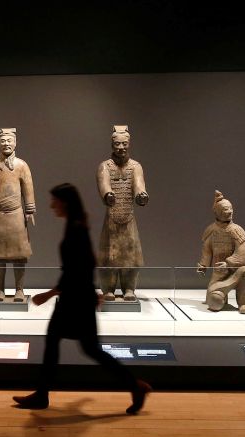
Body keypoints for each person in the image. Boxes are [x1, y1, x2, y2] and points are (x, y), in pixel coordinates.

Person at [13, 183, 152, 415]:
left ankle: (134, 386)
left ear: (65, 202)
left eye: (54, 201)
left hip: (75, 300)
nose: (51, 205)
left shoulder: (76, 228)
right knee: (75, 346)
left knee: (83, 348)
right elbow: (85, 265)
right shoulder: (75, 225)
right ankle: (43, 393)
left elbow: (77, 269)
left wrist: (49, 294)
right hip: (78, 298)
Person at [0, 128, 36, 302]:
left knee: (19, 255)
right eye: (3, 141)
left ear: (15, 143)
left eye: (9, 141)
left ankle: (19, 290)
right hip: (0, 215)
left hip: (17, 215)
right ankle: (0, 290)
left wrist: (29, 210)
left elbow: (28, 188)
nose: (6, 144)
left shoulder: (22, 165)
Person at [96, 125, 148, 302]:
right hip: (111, 218)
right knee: (109, 256)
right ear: (112, 145)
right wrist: (107, 194)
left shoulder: (135, 166)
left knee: (130, 255)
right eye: (117, 144)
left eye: (124, 144)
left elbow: (139, 184)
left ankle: (129, 289)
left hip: (128, 218)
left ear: (129, 144)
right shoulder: (105, 166)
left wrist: (141, 195)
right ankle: (108, 289)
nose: (121, 147)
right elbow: (103, 184)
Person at [197, 190, 245, 314]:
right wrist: (203, 265)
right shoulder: (211, 230)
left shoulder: (237, 230)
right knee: (215, 302)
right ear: (217, 212)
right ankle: (219, 296)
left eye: (230, 208)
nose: (229, 211)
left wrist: (228, 263)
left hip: (236, 272)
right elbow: (207, 250)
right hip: (219, 273)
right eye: (225, 209)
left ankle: (244, 304)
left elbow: (243, 253)